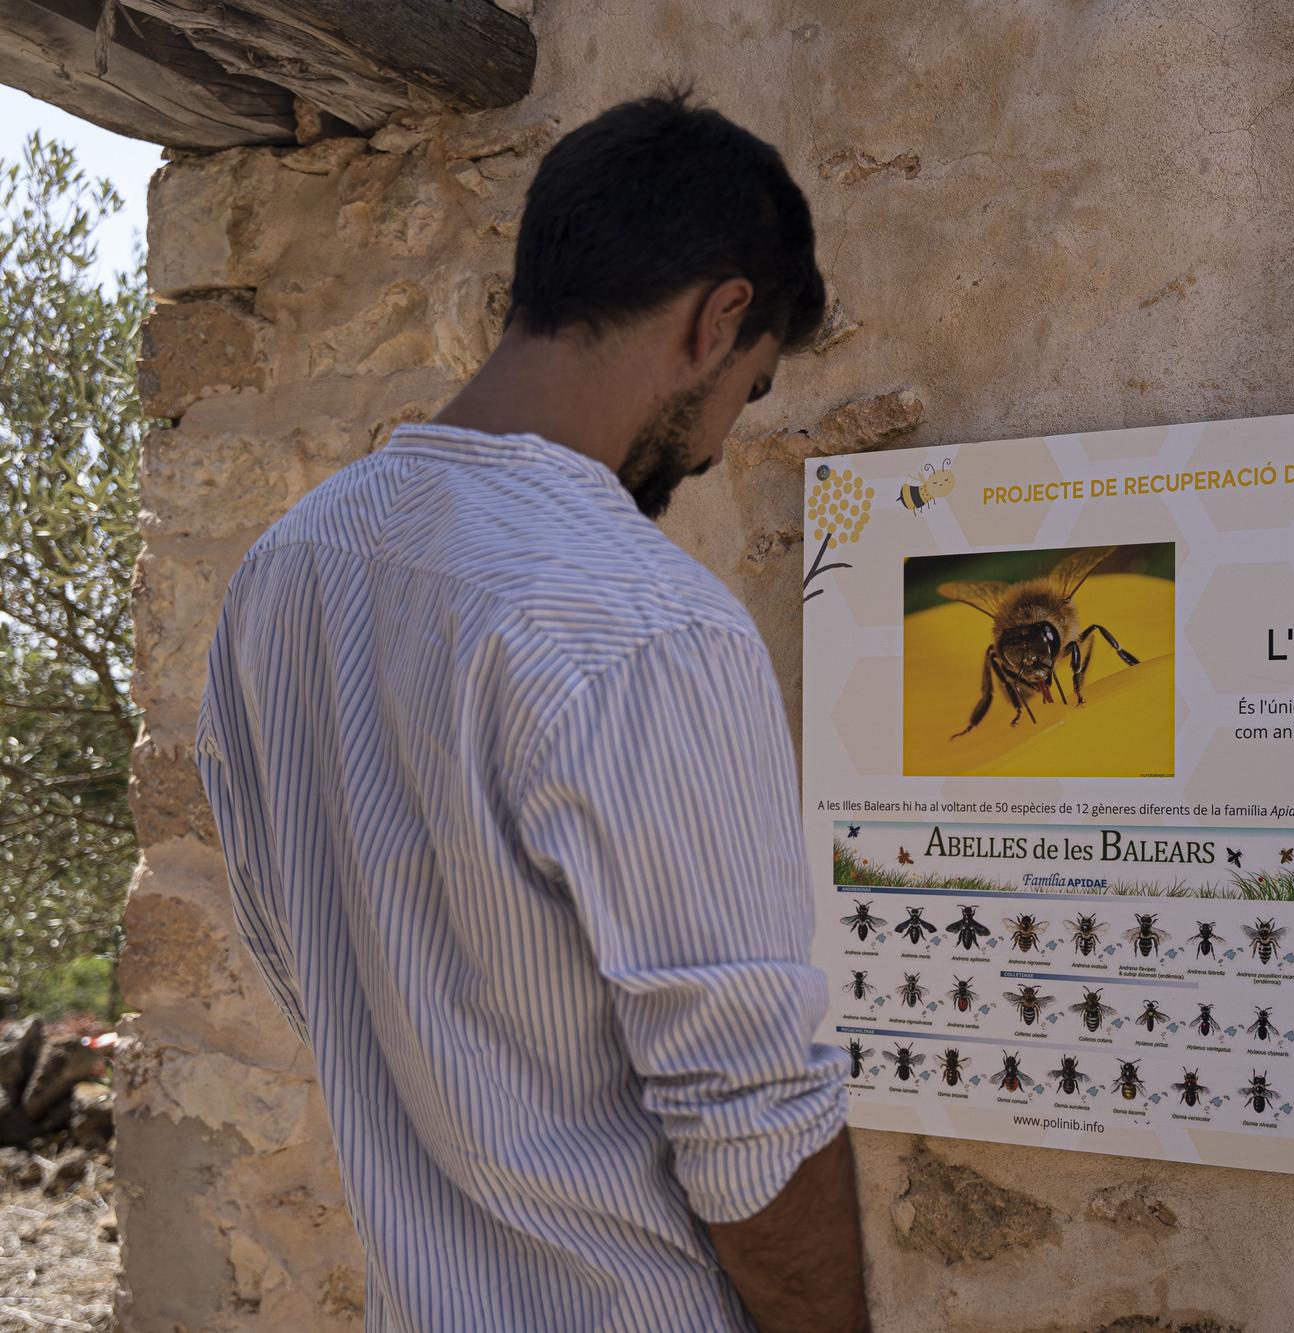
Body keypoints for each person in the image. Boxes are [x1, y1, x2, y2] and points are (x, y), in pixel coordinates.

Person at [193, 91, 869, 1332]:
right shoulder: (647, 621)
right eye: (750, 390)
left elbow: (299, 955)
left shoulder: (282, 575)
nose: (719, 442)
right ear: (719, 321)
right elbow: (754, 1106)